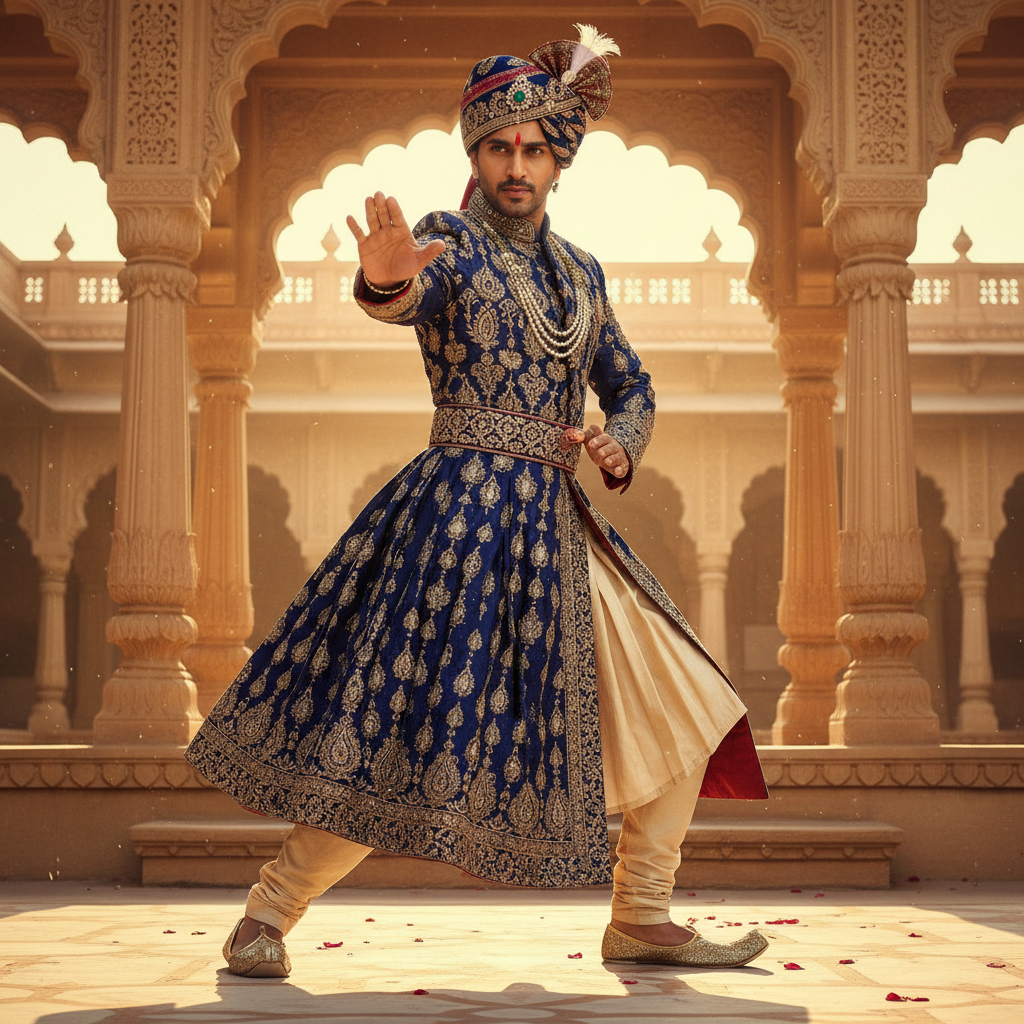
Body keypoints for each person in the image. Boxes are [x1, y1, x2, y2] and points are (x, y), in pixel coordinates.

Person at [185, 24, 769, 979]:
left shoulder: (580, 273)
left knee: (691, 699)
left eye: (534, 149)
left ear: (558, 160)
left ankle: (643, 912)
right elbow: (410, 291)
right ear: (476, 155)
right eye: (498, 147)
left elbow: (631, 384)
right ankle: (267, 915)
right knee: (395, 728)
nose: (517, 165)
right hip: (455, 521)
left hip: (557, 526)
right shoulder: (452, 240)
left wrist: (617, 442)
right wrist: (384, 279)